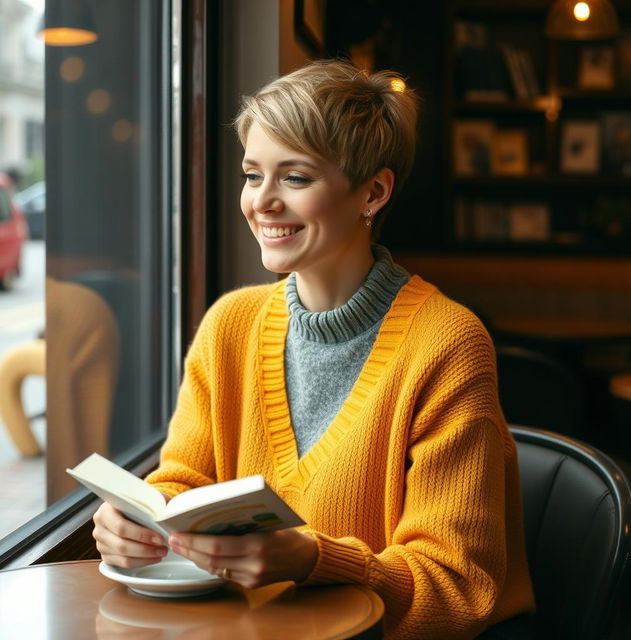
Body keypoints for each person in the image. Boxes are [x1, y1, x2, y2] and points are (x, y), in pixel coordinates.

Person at [93, 59, 535, 639]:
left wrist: (312, 559)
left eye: (295, 178)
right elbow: (186, 480)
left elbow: (456, 586)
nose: (263, 202)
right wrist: (143, 520)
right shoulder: (230, 324)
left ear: (372, 192)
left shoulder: (448, 344)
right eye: (254, 175)